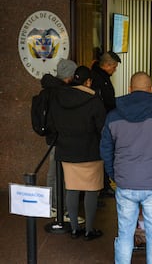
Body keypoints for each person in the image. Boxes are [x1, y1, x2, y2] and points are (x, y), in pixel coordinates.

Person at [100, 72, 152, 263]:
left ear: (130, 89)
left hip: (125, 183)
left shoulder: (113, 116)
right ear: (151, 90)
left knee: (124, 235)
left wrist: (115, 175)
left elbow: (105, 150)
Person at [49, 66, 107, 240]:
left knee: (72, 188)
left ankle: (74, 229)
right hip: (91, 151)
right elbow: (102, 127)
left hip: (66, 150)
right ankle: (89, 230)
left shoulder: (59, 97)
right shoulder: (94, 100)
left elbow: (53, 123)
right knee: (91, 190)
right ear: (88, 81)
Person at [41, 59, 77, 213]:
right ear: (69, 75)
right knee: (60, 173)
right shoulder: (62, 92)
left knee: (53, 172)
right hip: (60, 137)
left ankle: (52, 205)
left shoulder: (49, 89)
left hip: (51, 136)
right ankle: (58, 207)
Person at [91, 51, 121, 197]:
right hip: (100, 122)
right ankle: (103, 186)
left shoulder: (102, 77)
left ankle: (104, 185)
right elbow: (104, 101)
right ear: (106, 65)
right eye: (114, 67)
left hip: (104, 120)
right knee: (103, 153)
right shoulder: (98, 78)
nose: (114, 70)